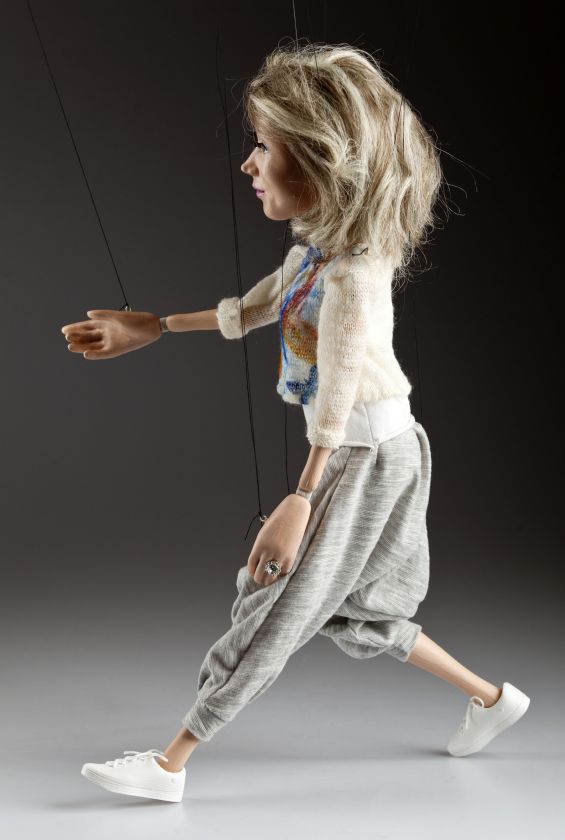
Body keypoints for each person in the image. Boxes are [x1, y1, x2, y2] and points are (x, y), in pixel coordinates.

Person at [62, 44, 530, 804]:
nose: (249, 164)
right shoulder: (315, 255)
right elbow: (251, 310)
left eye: (265, 146)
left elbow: (337, 398)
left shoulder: (352, 277)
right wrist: (153, 326)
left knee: (273, 598)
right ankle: (492, 699)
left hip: (366, 453)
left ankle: (170, 764)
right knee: (354, 614)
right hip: (368, 450)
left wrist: (301, 500)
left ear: (320, 165)